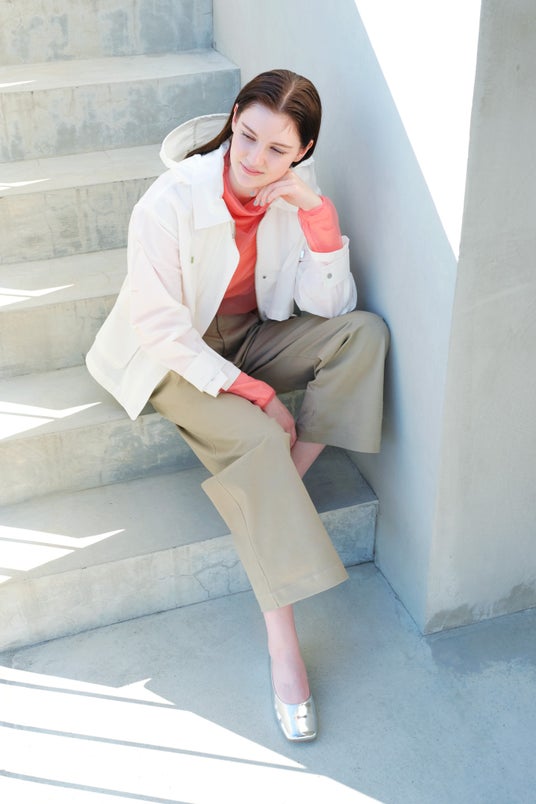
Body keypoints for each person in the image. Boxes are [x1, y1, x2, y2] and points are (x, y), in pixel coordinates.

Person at [86, 69, 389, 742]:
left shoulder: (296, 193)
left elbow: (328, 307)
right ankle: (284, 646)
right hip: (176, 356)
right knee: (258, 439)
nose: (254, 159)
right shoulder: (171, 200)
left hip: (251, 335)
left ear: (303, 150)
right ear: (233, 119)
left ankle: (278, 490)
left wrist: (318, 218)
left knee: (364, 334)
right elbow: (160, 330)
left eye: (278, 149)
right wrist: (259, 395)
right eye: (247, 136)